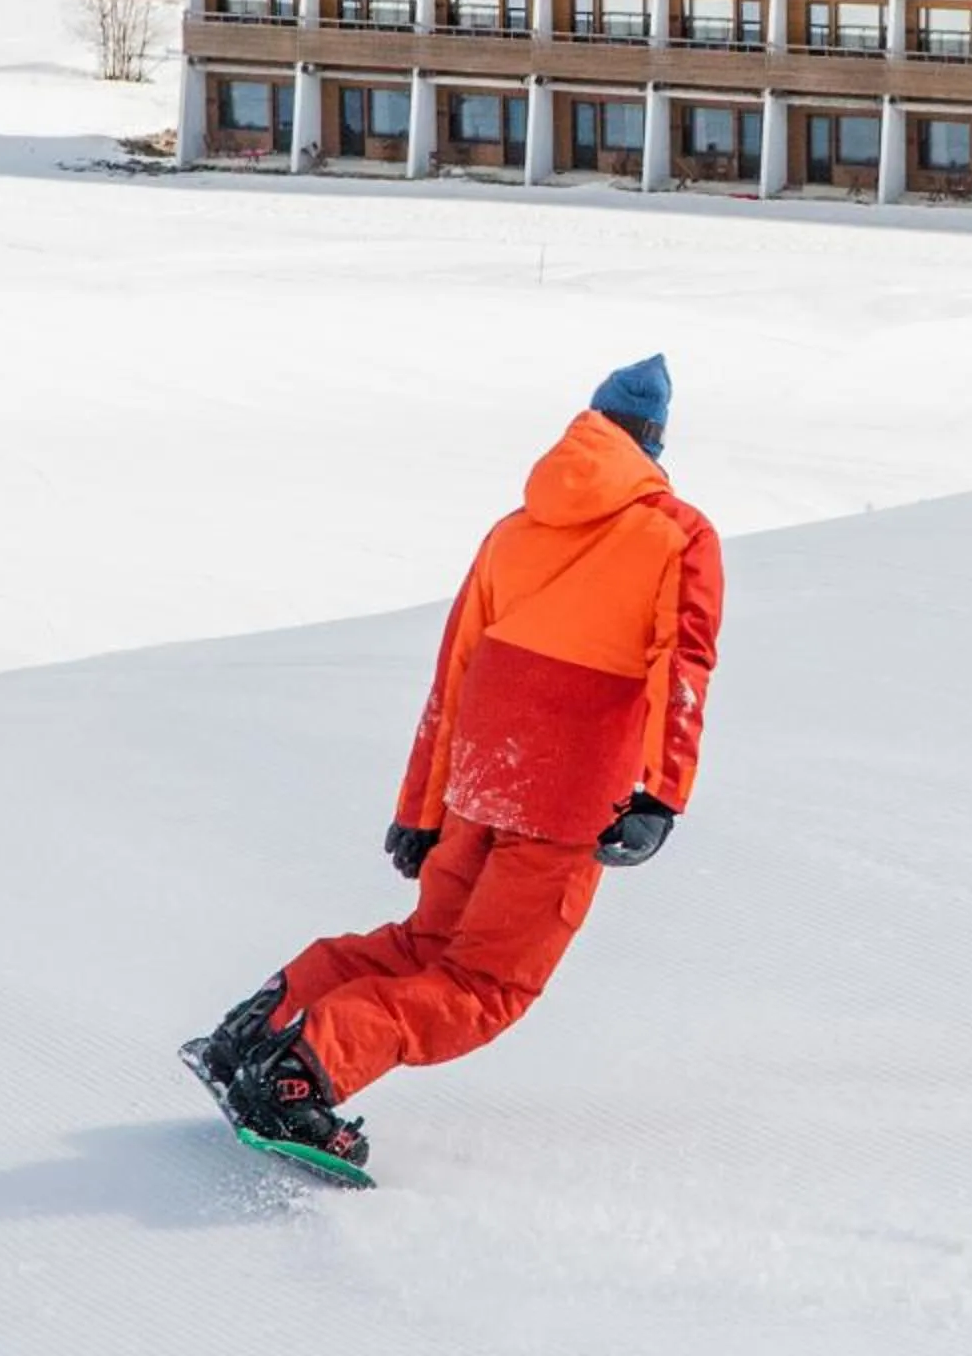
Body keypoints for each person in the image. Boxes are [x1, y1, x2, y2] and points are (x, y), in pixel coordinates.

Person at [189, 355, 724, 1167]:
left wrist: (422, 809)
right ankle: (303, 1076)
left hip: (482, 776)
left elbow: (455, 672)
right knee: (486, 987)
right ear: (653, 441)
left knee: (422, 948)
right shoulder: (677, 535)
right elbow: (681, 667)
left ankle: (255, 1035)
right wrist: (660, 797)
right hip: (568, 795)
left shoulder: (513, 532)